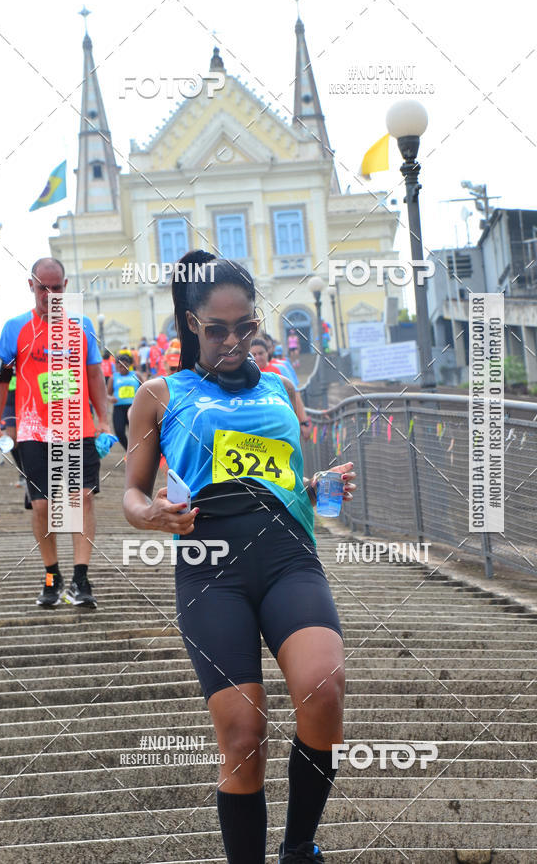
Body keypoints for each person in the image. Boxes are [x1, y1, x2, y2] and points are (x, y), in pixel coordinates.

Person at [123, 251, 356, 864]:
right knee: (244, 736)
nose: (233, 340)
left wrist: (320, 486)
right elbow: (130, 493)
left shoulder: (281, 387)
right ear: (191, 325)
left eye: (245, 327)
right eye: (217, 328)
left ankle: (299, 846)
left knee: (323, 689)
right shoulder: (158, 394)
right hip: (210, 565)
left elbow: (288, 480)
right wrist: (151, 515)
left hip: (287, 554)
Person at [0, 257, 110, 608]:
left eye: (57, 288)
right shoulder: (14, 328)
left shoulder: (81, 325)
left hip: (77, 427)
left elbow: (95, 376)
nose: (51, 295)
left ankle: (81, 579)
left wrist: (103, 420)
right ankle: (51, 576)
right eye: (44, 288)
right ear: (31, 286)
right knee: (43, 505)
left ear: (66, 286)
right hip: (33, 431)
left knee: (81, 498)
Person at [251, 338, 312, 441]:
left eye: (261, 353)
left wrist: (303, 422)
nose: (258, 357)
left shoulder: (280, 369)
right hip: (258, 429)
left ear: (267, 353)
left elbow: (295, 395)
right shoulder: (246, 375)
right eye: (254, 354)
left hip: (282, 426)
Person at [108, 353, 141, 450]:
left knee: (137, 432)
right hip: (119, 408)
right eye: (120, 366)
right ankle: (129, 450)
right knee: (119, 431)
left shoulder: (136, 375)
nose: (123, 368)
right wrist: (111, 398)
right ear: (117, 367)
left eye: (125, 365)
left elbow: (145, 387)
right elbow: (107, 394)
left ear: (129, 365)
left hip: (134, 408)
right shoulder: (113, 378)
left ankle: (139, 452)